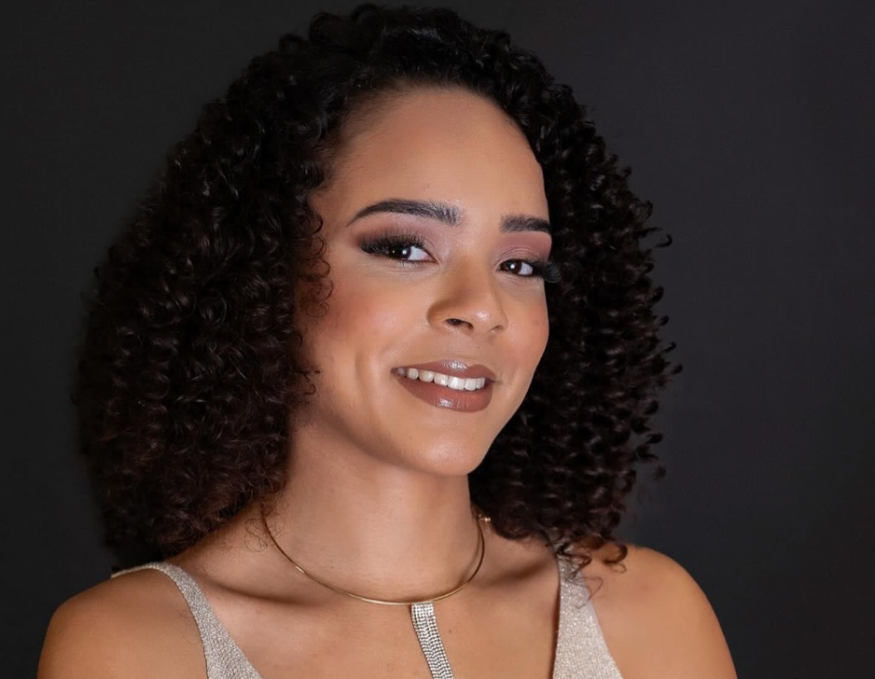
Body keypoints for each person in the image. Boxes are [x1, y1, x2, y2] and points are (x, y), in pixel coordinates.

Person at [38, 4, 737, 678]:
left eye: (520, 264)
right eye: (404, 248)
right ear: (266, 269)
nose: (480, 308)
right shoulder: (138, 649)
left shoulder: (648, 613)